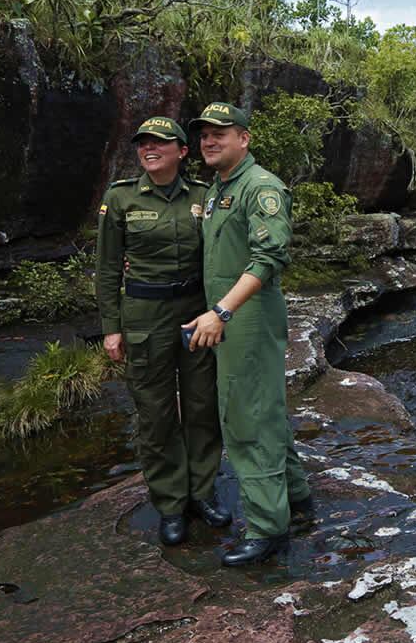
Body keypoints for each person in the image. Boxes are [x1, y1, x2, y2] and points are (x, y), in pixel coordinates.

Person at [183, 102, 312, 567]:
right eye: (204, 135)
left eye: (220, 133)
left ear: (244, 139)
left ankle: (267, 529)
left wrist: (222, 311)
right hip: (227, 316)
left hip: (246, 317)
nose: (209, 141)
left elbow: (268, 258)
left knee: (245, 417)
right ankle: (296, 496)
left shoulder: (260, 186)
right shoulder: (219, 189)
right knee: (263, 409)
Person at [95, 116, 232, 546]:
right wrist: (111, 328)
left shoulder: (204, 196)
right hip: (144, 316)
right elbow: (107, 268)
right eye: (143, 143)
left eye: (159, 142)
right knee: (155, 414)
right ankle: (171, 504)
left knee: (201, 406)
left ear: (182, 151)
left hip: (195, 313)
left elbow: (221, 253)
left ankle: (202, 493)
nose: (148, 149)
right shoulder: (120, 198)